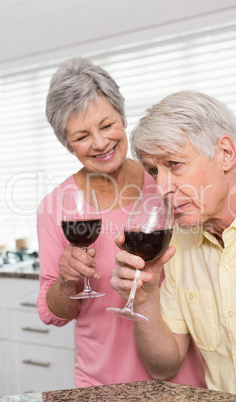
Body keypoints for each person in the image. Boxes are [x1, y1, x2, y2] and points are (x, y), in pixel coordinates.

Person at [37, 59, 206, 388]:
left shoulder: (166, 183)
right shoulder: (55, 206)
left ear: (123, 117)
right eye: (83, 135)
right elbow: (52, 312)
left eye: (107, 125)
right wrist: (66, 281)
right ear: (66, 144)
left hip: (181, 382)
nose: (100, 143)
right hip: (102, 385)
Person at [110, 90, 236, 402]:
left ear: (225, 153)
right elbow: (163, 367)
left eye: (174, 163)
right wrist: (145, 298)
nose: (162, 187)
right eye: (155, 171)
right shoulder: (179, 242)